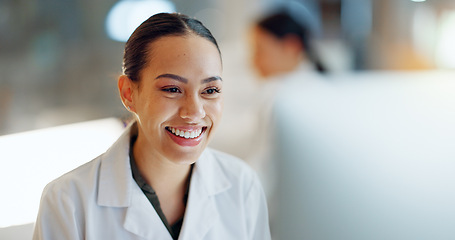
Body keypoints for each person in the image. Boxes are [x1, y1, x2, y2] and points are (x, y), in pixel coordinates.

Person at [33, 13, 271, 240]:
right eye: (172, 89)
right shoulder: (68, 202)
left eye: (210, 91)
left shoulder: (242, 185)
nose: (194, 112)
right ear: (128, 93)